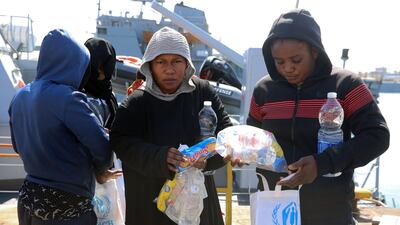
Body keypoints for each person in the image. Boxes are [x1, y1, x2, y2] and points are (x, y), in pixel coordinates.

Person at [246, 9, 390, 225]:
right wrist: (243, 152)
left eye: (296, 60)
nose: (288, 69)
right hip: (274, 208)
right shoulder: (263, 90)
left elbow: (377, 136)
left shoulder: (345, 84)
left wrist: (321, 164)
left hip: (329, 211)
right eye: (279, 61)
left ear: (315, 51)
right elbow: (253, 138)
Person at [110, 26, 232, 225]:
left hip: (197, 203)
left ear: (187, 64)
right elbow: (120, 140)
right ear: (150, 66)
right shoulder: (138, 101)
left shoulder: (202, 92)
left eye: (176, 61)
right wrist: (160, 156)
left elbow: (226, 135)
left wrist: (207, 159)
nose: (169, 69)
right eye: (161, 62)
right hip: (150, 206)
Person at [8, 29, 114, 225]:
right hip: (67, 205)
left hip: (29, 198)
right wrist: (101, 169)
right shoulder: (69, 98)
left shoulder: (20, 97)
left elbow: (17, 147)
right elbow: (103, 149)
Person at [83, 37, 118, 129]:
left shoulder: (110, 96)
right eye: (95, 64)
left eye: (105, 66)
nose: (100, 71)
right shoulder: (78, 96)